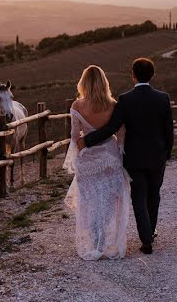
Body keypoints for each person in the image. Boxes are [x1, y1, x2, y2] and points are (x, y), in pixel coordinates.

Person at [78, 57, 173, 254]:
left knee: (138, 197)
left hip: (134, 158)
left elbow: (112, 128)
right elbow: (168, 130)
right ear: (152, 74)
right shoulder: (162, 98)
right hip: (157, 157)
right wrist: (167, 152)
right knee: (154, 195)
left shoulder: (125, 99)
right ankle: (150, 232)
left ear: (133, 74)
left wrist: (87, 140)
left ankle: (146, 240)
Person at [63, 65, 131, 260]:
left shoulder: (77, 106)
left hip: (88, 159)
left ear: (83, 83)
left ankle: (94, 239)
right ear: (104, 83)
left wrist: (81, 150)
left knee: (89, 201)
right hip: (109, 157)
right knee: (109, 200)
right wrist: (119, 153)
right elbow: (121, 133)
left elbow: (75, 136)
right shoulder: (113, 105)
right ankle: (105, 238)